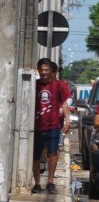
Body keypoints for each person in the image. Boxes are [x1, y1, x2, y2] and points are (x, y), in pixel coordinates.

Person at [32, 58, 71, 194]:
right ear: (38, 70)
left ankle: (50, 181)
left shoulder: (58, 85)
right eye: (41, 70)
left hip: (53, 126)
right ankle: (37, 183)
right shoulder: (34, 85)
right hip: (36, 127)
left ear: (51, 71)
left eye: (46, 70)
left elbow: (64, 103)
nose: (44, 72)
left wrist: (67, 120)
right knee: (36, 156)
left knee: (53, 154)